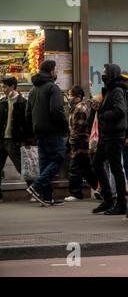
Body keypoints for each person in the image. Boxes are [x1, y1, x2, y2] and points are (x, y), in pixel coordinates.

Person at [25, 60, 69, 206]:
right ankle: (37, 186)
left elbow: (28, 113)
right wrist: (64, 126)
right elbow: (56, 110)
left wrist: (33, 130)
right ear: (51, 71)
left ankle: (46, 196)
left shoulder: (33, 90)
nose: (57, 72)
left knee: (45, 163)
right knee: (58, 158)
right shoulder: (53, 88)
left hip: (39, 132)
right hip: (53, 131)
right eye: (56, 69)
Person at [91, 63, 128, 215]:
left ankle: (120, 203)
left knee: (115, 168)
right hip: (107, 135)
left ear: (112, 74)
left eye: (106, 71)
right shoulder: (110, 91)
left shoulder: (117, 90)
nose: (103, 73)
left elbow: (120, 110)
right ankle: (108, 200)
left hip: (114, 135)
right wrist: (99, 108)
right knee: (97, 163)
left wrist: (104, 115)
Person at [0, 77, 33, 201]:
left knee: (23, 168)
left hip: (15, 141)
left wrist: (28, 140)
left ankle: (35, 190)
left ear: (13, 86)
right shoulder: (2, 101)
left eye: (5, 87)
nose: (3, 89)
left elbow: (27, 124)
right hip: (2, 140)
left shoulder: (23, 103)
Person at [64, 86, 99, 201]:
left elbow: (79, 129)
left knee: (75, 168)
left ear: (78, 96)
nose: (69, 97)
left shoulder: (80, 109)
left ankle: (76, 194)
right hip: (80, 142)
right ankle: (101, 189)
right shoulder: (76, 108)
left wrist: (72, 141)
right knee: (86, 169)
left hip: (80, 143)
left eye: (71, 95)